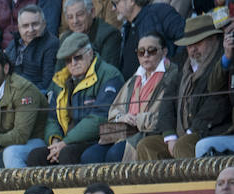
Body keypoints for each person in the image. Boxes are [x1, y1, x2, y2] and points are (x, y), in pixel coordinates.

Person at [135, 15, 232, 161]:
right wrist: (169, 136)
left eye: (198, 43)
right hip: (181, 134)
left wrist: (191, 131)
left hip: (209, 130)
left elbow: (217, 103)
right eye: (189, 45)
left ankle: (194, 184)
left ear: (213, 40)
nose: (193, 49)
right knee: (146, 145)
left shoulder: (224, 62)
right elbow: (167, 102)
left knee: (184, 145)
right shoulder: (184, 66)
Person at [24, 33, 122, 165]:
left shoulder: (109, 75)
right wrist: (55, 141)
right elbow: (51, 117)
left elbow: (100, 117)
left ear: (90, 52)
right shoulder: (60, 80)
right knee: (36, 156)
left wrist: (66, 142)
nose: (73, 64)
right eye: (68, 60)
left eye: (78, 58)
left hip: (96, 140)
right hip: (66, 141)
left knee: (68, 153)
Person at [81, 30, 174, 163]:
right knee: (90, 156)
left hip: (149, 134)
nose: (146, 55)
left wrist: (137, 119)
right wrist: (122, 117)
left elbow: (165, 116)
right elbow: (113, 111)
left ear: (164, 52)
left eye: (151, 51)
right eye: (141, 52)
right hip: (123, 133)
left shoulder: (171, 76)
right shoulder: (134, 79)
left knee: (115, 154)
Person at [6, 3, 59, 92]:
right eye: (25, 26)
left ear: (44, 24)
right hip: (12, 93)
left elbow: (47, 83)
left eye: (35, 24)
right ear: (19, 28)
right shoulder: (13, 44)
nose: (30, 30)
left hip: (35, 96)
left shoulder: (51, 45)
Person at [61, 0, 120, 70]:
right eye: (70, 17)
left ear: (92, 12)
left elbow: (107, 73)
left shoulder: (109, 35)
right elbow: (58, 74)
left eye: (80, 14)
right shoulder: (65, 38)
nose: (75, 21)